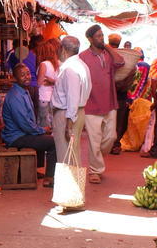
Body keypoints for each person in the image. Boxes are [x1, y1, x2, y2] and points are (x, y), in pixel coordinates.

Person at [79, 24, 124, 184]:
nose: (101, 38)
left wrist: (107, 47)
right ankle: (95, 171)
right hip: (91, 104)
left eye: (102, 35)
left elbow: (121, 62)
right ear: (90, 39)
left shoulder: (108, 55)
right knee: (94, 140)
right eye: (98, 36)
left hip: (110, 102)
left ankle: (98, 158)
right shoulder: (82, 57)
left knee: (111, 137)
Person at [1, 64, 57, 187]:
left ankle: (34, 170)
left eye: (28, 73)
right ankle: (49, 178)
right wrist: (42, 130)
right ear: (15, 78)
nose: (27, 77)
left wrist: (40, 130)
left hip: (22, 133)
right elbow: (25, 125)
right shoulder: (15, 96)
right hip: (16, 137)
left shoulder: (23, 91)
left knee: (43, 136)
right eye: (22, 75)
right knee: (52, 143)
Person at [50, 36, 91, 179]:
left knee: (65, 155)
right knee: (72, 153)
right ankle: (73, 191)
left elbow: (73, 97)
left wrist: (69, 121)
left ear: (63, 49)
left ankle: (69, 192)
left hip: (67, 114)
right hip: (75, 112)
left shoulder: (70, 68)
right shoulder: (81, 65)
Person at [35, 38, 60, 128]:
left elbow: (39, 83)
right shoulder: (54, 64)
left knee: (44, 123)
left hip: (43, 97)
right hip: (51, 97)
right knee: (51, 122)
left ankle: (45, 141)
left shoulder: (43, 64)